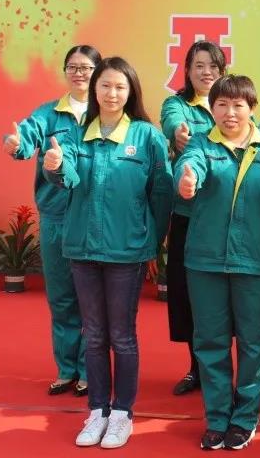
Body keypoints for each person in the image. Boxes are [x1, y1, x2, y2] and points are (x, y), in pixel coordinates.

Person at [43, 57, 173, 449]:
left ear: (130, 91)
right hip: (82, 249)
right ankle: (97, 410)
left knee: (122, 336)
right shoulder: (76, 135)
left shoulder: (147, 137)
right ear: (94, 90)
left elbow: (162, 194)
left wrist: (152, 241)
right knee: (94, 334)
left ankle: (122, 414)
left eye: (119, 86)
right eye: (105, 85)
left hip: (126, 253)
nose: (111, 93)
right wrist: (54, 166)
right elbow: (66, 176)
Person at [176, 74, 260, 451]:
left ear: (252, 108)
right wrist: (187, 179)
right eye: (222, 105)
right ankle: (216, 418)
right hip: (206, 262)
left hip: (256, 262)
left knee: (254, 343)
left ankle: (244, 419)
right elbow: (190, 166)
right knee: (210, 341)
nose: (230, 113)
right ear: (211, 109)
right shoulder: (201, 143)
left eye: (238, 105)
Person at [3, 44, 101, 398]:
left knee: (92, 299)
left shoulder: (105, 113)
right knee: (61, 297)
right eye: (72, 67)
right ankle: (66, 369)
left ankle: (90, 370)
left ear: (98, 72)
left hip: (94, 216)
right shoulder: (48, 113)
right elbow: (25, 139)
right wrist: (15, 143)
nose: (79, 73)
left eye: (86, 67)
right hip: (57, 216)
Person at [159, 40, 226, 396]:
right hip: (187, 216)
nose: (206, 72)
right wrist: (179, 134)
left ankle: (223, 369)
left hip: (224, 218)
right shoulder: (177, 104)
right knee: (187, 294)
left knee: (223, 296)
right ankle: (196, 368)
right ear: (187, 70)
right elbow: (174, 125)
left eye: (213, 66)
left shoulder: (230, 104)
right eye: (199, 65)